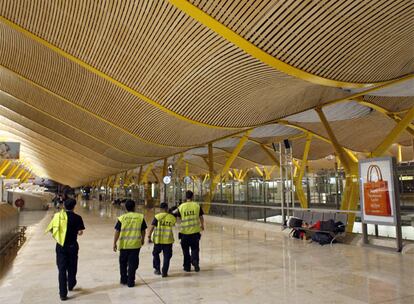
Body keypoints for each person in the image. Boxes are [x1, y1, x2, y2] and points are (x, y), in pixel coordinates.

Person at [45, 198, 85, 301]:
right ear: (74, 206)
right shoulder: (78, 217)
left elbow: (51, 229)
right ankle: (71, 284)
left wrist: (58, 236)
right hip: (72, 246)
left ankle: (63, 294)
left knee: (62, 269)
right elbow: (80, 232)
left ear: (64, 206)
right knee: (72, 266)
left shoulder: (57, 216)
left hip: (61, 246)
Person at [113, 200, 147, 287]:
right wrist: (142, 239)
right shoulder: (140, 217)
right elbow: (143, 230)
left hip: (124, 245)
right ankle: (131, 281)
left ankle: (123, 279)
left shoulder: (122, 218)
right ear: (134, 207)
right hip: (135, 245)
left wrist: (114, 243)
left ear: (125, 208)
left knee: (123, 263)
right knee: (133, 263)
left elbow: (117, 231)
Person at [176, 190, 204, 272]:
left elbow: (178, 219)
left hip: (184, 233)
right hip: (195, 232)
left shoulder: (181, 207)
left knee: (185, 250)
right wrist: (202, 225)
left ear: (186, 197)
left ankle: (187, 267)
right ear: (192, 197)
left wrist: (181, 225)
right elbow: (201, 217)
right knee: (195, 249)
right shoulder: (197, 206)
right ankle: (195, 262)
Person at [147, 202, 176, 277]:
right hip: (168, 240)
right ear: (167, 208)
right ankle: (164, 271)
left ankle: (157, 269)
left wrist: (149, 236)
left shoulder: (157, 216)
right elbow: (173, 223)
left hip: (158, 240)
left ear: (160, 209)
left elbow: (152, 227)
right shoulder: (171, 217)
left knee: (155, 254)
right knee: (167, 256)